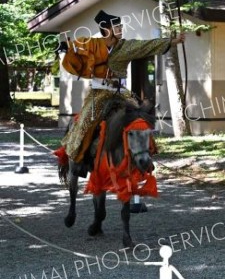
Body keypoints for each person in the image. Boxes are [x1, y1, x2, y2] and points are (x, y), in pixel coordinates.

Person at [60, 10, 185, 169]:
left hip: (121, 92)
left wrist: (173, 41)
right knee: (86, 120)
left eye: (121, 26)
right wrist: (66, 48)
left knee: (141, 117)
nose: (120, 29)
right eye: (117, 26)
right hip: (99, 92)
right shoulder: (92, 44)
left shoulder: (126, 46)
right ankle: (76, 157)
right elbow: (76, 47)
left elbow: (147, 45)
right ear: (106, 29)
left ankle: (145, 155)